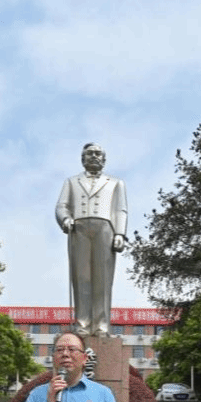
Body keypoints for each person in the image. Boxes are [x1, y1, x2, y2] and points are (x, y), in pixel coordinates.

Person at [55, 143, 128, 336]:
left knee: (103, 279)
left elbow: (120, 210)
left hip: (105, 228)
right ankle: (82, 325)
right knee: (81, 278)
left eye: (98, 153)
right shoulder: (71, 181)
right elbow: (61, 206)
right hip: (78, 229)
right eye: (89, 153)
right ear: (83, 158)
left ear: (104, 159)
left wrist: (120, 234)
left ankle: (101, 326)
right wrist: (65, 219)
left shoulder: (116, 183)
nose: (94, 156)